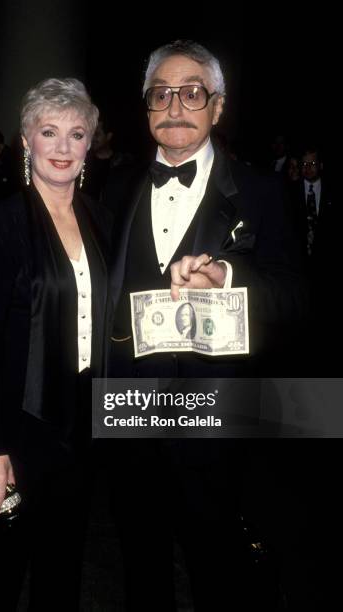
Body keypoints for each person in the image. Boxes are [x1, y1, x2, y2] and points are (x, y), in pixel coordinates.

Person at [108, 40, 306, 611]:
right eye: (160, 94)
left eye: (191, 93)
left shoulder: (264, 193)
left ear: (217, 108)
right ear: (146, 107)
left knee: (216, 566)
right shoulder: (115, 189)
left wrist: (230, 275)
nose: (174, 106)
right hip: (130, 413)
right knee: (140, 563)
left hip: (219, 420)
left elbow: (299, 298)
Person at [0, 78, 111, 610]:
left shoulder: (101, 218)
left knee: (63, 564)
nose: (63, 147)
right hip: (19, 421)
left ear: (88, 145)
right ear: (26, 141)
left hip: (80, 423)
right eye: (49, 132)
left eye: (76, 134)